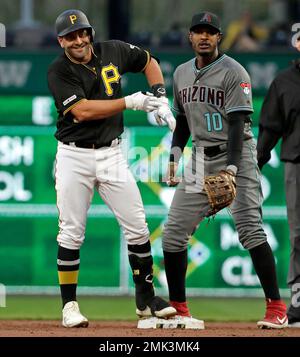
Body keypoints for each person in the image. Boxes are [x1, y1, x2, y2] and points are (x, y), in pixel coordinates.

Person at [47, 9, 176, 328]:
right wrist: (132, 102)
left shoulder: (114, 50)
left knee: (138, 225)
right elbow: (83, 111)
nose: (79, 40)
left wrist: (159, 96)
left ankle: (146, 300)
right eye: (71, 36)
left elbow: (149, 62)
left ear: (90, 33)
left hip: (111, 153)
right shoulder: (58, 71)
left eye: (83, 33)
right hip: (74, 156)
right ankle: (69, 306)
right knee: (72, 232)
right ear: (61, 41)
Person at [161, 11, 287, 329]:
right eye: (198, 31)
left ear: (219, 37)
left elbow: (236, 126)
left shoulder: (234, 72)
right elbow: (183, 125)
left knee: (250, 230)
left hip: (238, 156)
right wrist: (174, 158)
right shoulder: (180, 73)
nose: (204, 36)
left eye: (210, 32)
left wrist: (231, 168)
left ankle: (276, 307)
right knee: (173, 234)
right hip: (200, 159)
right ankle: (179, 309)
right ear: (190, 37)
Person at [257, 35, 300, 328]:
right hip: (297, 163)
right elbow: (270, 128)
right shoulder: (284, 82)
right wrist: (252, 165)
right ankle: (298, 301)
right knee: (299, 234)